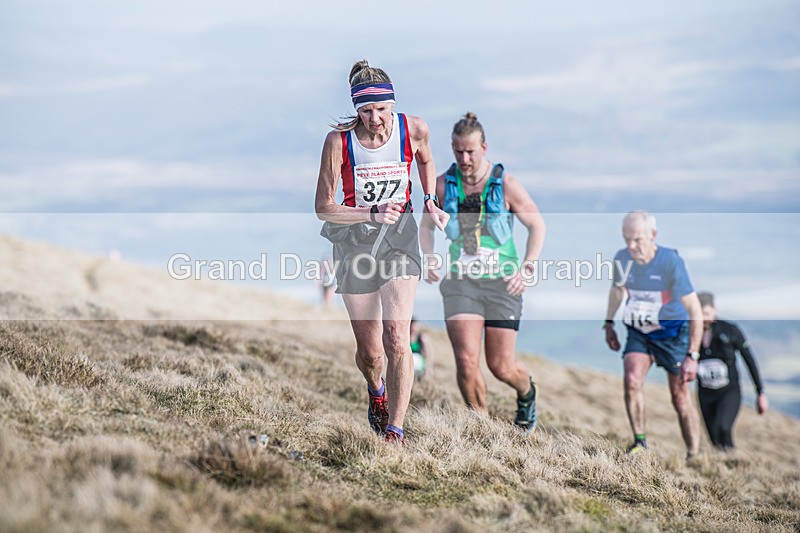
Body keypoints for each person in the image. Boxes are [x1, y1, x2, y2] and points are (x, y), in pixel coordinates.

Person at [315, 60, 448, 445]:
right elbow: (323, 207)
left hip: (399, 238)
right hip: (353, 241)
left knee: (396, 336)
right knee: (371, 353)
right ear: (356, 108)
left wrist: (430, 200)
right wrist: (370, 211)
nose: (375, 118)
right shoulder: (338, 142)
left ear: (393, 104)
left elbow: (426, 159)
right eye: (366, 110)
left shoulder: (414, 128)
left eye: (382, 109)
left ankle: (396, 429)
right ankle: (376, 390)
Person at [420, 112, 546, 434]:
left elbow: (536, 225)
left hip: (503, 283)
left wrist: (527, 267)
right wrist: (430, 257)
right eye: (458, 151)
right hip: (460, 282)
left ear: (484, 147)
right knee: (465, 361)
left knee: (501, 366)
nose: (464, 158)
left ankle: (526, 393)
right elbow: (425, 225)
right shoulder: (442, 187)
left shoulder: (505, 185)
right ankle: (483, 429)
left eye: (471, 151)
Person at [603, 210, 703, 458]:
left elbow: (695, 310)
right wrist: (608, 323)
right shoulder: (622, 259)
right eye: (626, 239)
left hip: (671, 335)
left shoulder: (671, 262)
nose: (631, 246)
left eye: (637, 239)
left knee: (679, 398)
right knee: (632, 381)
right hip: (640, 332)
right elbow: (617, 291)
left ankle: (693, 453)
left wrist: (693, 355)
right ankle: (640, 442)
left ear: (653, 235)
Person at [696, 291, 768, 450]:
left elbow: (749, 359)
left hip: (728, 391)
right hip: (705, 393)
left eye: (706, 313)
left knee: (724, 428)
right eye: (699, 314)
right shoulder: (691, 333)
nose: (704, 318)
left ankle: (732, 463)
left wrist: (760, 392)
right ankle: (719, 469)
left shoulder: (729, 330)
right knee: (714, 438)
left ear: (714, 310)